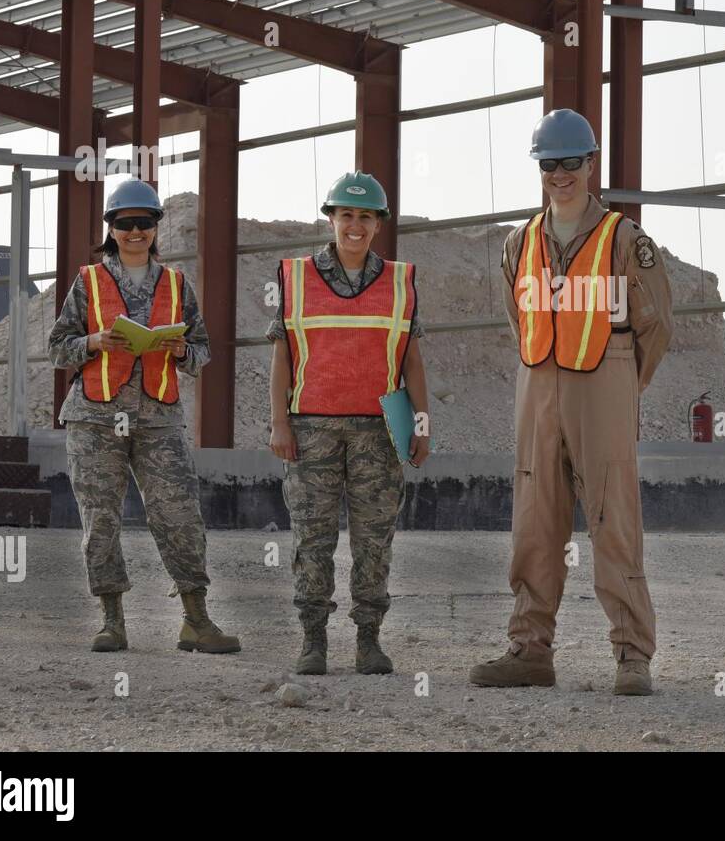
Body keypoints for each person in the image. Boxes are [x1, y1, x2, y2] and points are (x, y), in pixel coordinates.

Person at [469, 108, 674, 696]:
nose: (560, 174)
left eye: (571, 163)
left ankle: (632, 654)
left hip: (602, 384)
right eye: (549, 164)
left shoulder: (624, 241)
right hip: (538, 385)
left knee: (613, 522)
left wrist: (622, 384)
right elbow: (519, 318)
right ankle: (529, 649)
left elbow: (655, 325)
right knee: (535, 523)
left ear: (592, 164)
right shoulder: (519, 243)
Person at [48, 178, 239, 654]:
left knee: (179, 514)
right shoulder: (88, 282)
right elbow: (56, 347)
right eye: (126, 223)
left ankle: (196, 619)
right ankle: (112, 621)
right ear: (111, 228)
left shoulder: (177, 285)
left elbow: (202, 353)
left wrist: (178, 350)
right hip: (95, 416)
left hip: (158, 418)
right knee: (101, 519)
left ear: (156, 227)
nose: (136, 232)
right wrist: (93, 342)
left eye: (145, 223)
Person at [267, 171, 430, 676]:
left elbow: (412, 360)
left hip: (379, 432)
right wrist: (279, 422)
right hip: (311, 428)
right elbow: (283, 355)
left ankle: (368, 640)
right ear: (331, 219)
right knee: (312, 538)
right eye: (346, 215)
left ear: (378, 223)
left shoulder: (401, 283)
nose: (354, 225)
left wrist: (420, 424)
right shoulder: (295, 278)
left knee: (373, 540)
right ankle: (313, 640)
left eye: (365, 216)